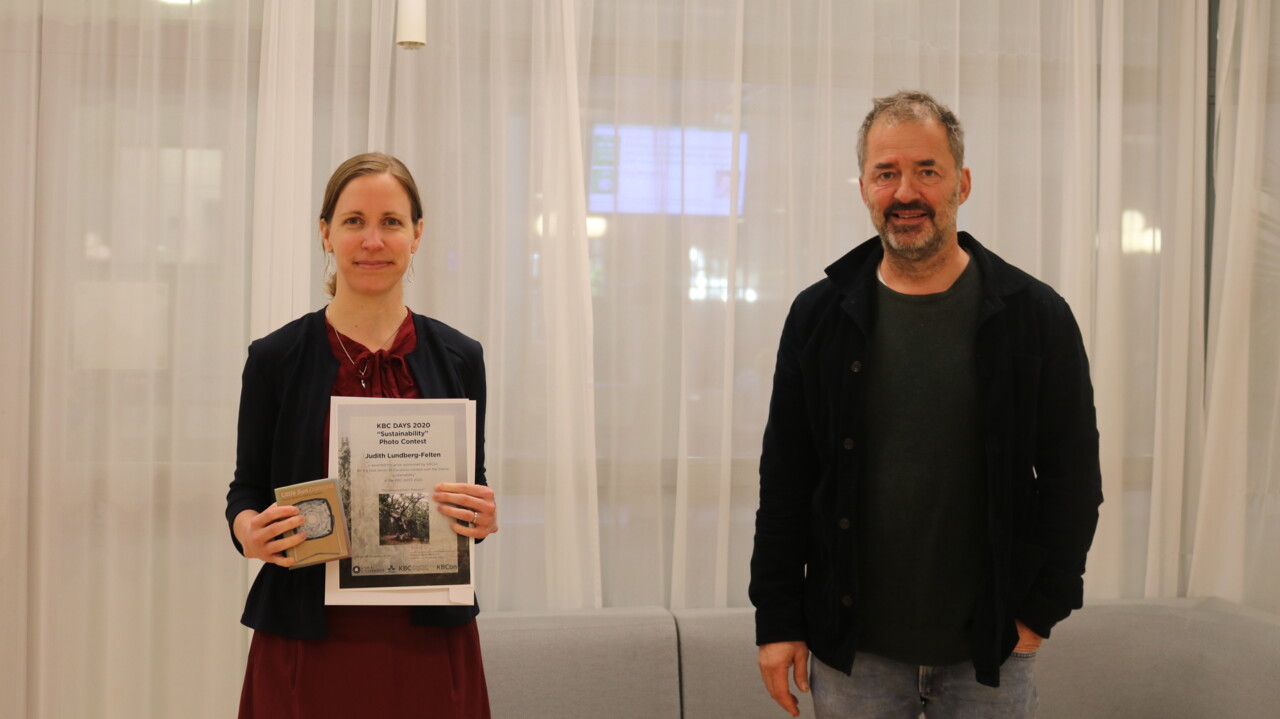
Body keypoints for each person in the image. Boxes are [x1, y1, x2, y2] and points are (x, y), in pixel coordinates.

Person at [749, 91, 1102, 718]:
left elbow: (1074, 483)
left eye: (926, 171)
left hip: (989, 655)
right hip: (851, 658)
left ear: (961, 183)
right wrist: (777, 622)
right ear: (863, 186)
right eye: (887, 173)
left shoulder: (1036, 317)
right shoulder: (818, 318)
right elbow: (785, 482)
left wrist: (1038, 613)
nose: (905, 192)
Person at [225, 152, 497, 718]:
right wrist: (248, 530)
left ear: (417, 234)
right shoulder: (275, 358)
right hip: (307, 640)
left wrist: (482, 516)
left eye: (391, 222)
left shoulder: (460, 358)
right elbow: (247, 488)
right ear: (325, 233)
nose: (372, 240)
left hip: (427, 641)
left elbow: (473, 491)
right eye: (353, 221)